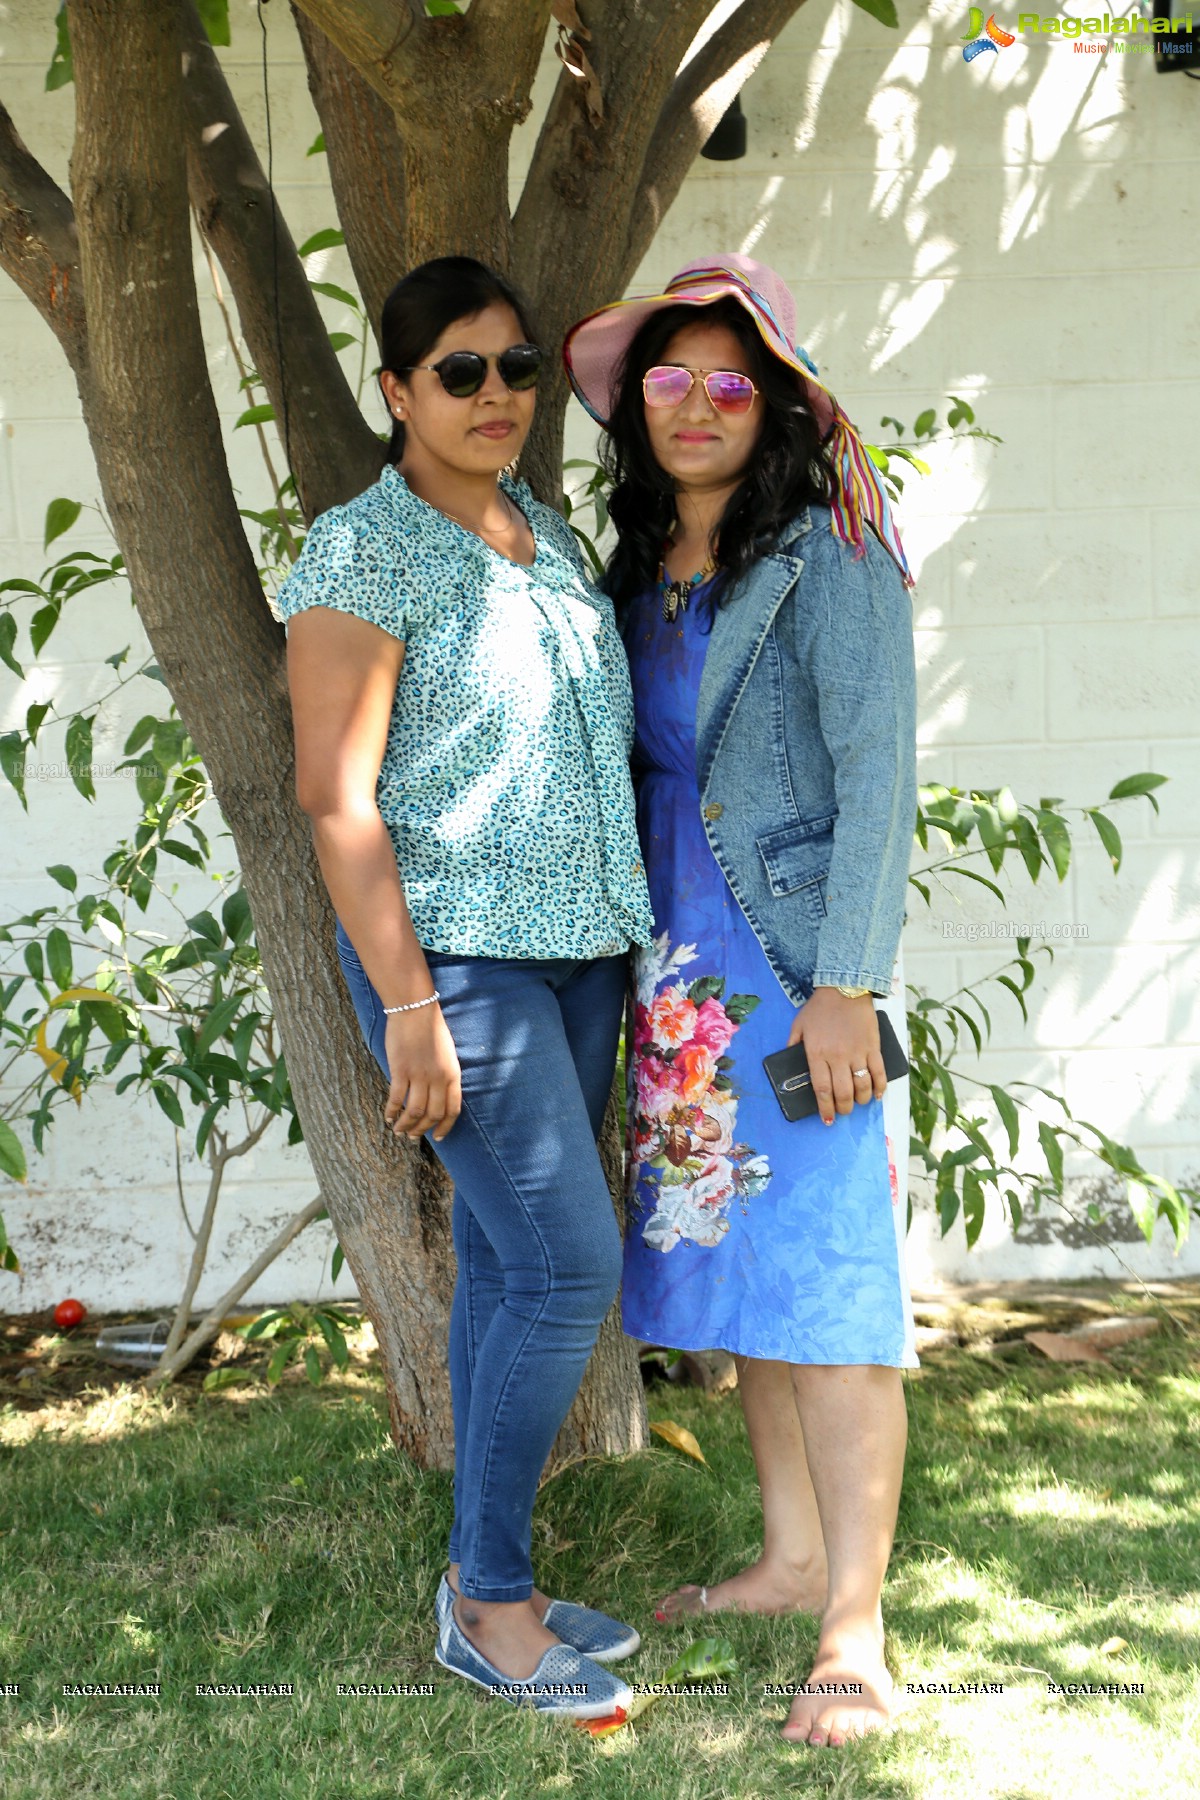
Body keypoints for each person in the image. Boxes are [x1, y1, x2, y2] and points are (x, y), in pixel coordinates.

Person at [279, 256, 655, 1720]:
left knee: (515, 1268)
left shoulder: (547, 540)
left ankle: (490, 1572)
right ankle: (487, 1607)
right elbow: (336, 798)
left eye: (517, 370)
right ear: (396, 393)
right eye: (460, 372)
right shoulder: (360, 554)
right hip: (460, 973)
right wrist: (413, 1006)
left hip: (578, 961)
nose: (496, 394)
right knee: (573, 1267)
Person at [562, 255, 919, 1748]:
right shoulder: (640, 571)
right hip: (681, 987)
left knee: (833, 1297)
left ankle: (856, 1626)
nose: (696, 406)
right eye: (667, 380)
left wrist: (847, 987)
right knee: (748, 1293)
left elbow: (881, 774)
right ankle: (785, 1558)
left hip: (789, 980)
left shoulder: (830, 555)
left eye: (727, 381)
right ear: (637, 406)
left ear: (768, 400)